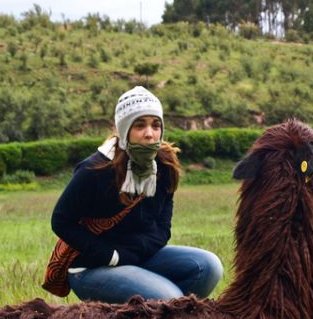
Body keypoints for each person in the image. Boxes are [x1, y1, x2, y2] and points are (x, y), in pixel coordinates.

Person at [51, 86, 223, 303]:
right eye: (140, 125)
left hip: (140, 258)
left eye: (156, 125)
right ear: (124, 129)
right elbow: (61, 221)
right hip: (94, 266)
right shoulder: (94, 170)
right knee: (170, 300)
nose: (150, 133)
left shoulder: (165, 165)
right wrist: (111, 256)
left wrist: (136, 253)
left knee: (208, 267)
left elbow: (162, 227)